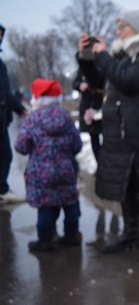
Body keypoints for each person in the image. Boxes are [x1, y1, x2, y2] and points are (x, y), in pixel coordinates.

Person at [77, 7, 139, 262]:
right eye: (117, 27)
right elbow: (101, 82)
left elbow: (130, 81)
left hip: (134, 131)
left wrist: (103, 57)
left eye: (122, 26)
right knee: (128, 183)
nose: (117, 31)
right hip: (120, 132)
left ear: (137, 28)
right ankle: (132, 233)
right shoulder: (123, 56)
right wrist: (87, 57)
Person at [14, 79, 83, 251]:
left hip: (41, 173)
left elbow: (21, 146)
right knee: (69, 203)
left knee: (45, 205)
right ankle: (71, 235)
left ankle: (45, 241)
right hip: (66, 170)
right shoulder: (66, 119)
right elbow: (77, 145)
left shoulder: (32, 121)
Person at [0, 24, 28, 204]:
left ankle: (1, 189)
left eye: (1, 35)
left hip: (2, 120)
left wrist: (20, 109)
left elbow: (6, 93)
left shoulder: (1, 64)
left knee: (5, 155)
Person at [72, 66, 105, 161]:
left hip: (102, 106)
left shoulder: (103, 65)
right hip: (88, 108)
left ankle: (106, 163)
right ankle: (100, 164)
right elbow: (75, 83)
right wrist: (80, 85)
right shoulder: (83, 69)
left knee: (107, 137)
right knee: (94, 138)